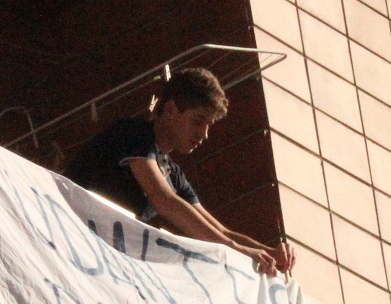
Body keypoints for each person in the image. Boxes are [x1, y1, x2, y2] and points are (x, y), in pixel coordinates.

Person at [65, 67, 295, 277]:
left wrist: (270, 254)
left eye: (209, 125)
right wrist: (237, 249)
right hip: (68, 234)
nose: (204, 134)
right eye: (198, 120)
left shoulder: (173, 174)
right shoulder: (133, 133)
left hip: (92, 249)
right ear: (171, 109)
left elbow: (220, 231)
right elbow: (164, 199)